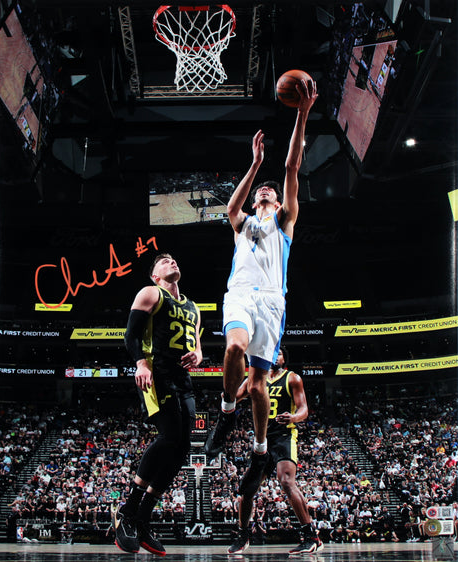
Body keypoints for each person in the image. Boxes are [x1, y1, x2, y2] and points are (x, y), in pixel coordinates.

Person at [204, 77, 318, 499]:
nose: (266, 190)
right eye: (261, 190)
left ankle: (259, 448)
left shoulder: (285, 220)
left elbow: (291, 168)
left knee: (256, 386)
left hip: (272, 303)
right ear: (256, 199)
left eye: (269, 189)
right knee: (234, 346)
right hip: (240, 293)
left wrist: (302, 114)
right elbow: (231, 207)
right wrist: (254, 165)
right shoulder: (243, 223)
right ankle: (226, 412)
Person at [115, 253, 202, 554]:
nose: (172, 262)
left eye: (174, 260)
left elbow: (198, 347)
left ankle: (142, 518)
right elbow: (131, 335)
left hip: (182, 378)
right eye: (164, 262)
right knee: (169, 437)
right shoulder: (151, 293)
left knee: (183, 447)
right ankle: (128, 511)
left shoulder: (193, 307)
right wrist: (141, 364)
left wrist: (198, 356)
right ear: (155, 275)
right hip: (157, 372)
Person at [228, 347, 323, 555]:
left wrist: (293, 417)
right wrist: (230, 384)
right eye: (273, 352)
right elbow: (235, 396)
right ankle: (243, 535)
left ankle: (311, 536)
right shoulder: (255, 377)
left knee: (286, 481)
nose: (275, 355)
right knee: (247, 491)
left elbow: (304, 409)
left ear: (284, 359)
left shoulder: (292, 378)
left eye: (279, 353)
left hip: (284, 436)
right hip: (262, 440)